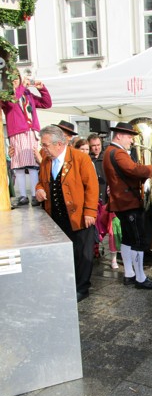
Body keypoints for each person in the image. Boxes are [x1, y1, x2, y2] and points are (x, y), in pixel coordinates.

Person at [35, 125, 99, 302]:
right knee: (64, 252)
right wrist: (39, 190)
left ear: (59, 144)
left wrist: (90, 212)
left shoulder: (80, 158)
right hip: (56, 216)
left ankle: (82, 287)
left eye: (46, 144)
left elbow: (92, 187)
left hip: (78, 215)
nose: (43, 148)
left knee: (83, 253)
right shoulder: (46, 161)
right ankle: (68, 283)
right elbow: (40, 182)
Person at [103, 122, 152, 290]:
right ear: (119, 135)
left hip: (122, 202)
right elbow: (135, 170)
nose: (132, 141)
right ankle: (140, 278)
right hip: (128, 202)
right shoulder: (118, 152)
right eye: (129, 137)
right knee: (139, 241)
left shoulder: (109, 152)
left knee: (128, 239)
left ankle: (129, 274)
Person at [1, 72, 52, 207]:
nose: (15, 81)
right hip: (17, 132)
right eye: (12, 79)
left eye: (17, 78)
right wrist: (22, 87)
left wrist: (42, 88)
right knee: (18, 165)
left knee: (33, 164)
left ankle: (35, 195)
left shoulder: (27, 94)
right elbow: (12, 103)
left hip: (31, 132)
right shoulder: (5, 95)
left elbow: (46, 104)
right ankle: (23, 196)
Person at [88, 133, 107, 203]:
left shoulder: (106, 157)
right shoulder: (87, 160)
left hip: (106, 198)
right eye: (93, 146)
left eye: (98, 145)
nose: (96, 148)